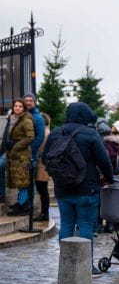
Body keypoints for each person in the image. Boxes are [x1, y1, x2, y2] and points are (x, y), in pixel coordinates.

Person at [43, 102, 113, 275]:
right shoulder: (91, 134)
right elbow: (104, 161)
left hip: (63, 188)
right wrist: (109, 179)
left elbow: (45, 159)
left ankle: (67, 263)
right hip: (87, 188)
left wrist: (60, 176)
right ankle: (85, 265)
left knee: (66, 224)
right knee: (86, 226)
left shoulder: (56, 133)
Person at [4, 99, 35, 216]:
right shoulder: (12, 119)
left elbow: (30, 137)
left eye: (20, 106)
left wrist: (15, 146)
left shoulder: (26, 120)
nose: (17, 108)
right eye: (15, 106)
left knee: (23, 182)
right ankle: (20, 203)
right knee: (20, 181)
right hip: (14, 156)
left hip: (22, 155)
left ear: (24, 108)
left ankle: (23, 206)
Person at [33, 113, 52, 222]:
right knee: (42, 189)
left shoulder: (44, 132)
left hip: (42, 164)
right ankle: (44, 213)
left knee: (42, 189)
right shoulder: (47, 131)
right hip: (43, 164)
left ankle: (44, 214)